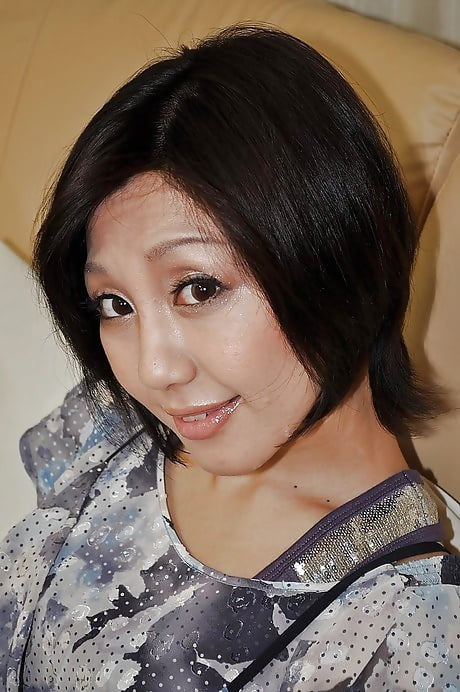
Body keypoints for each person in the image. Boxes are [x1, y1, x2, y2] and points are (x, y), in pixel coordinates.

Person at [1, 24, 459, 691]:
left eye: (198, 288)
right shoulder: (116, 422)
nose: (154, 370)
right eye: (115, 304)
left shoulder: (406, 631)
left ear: (336, 254)